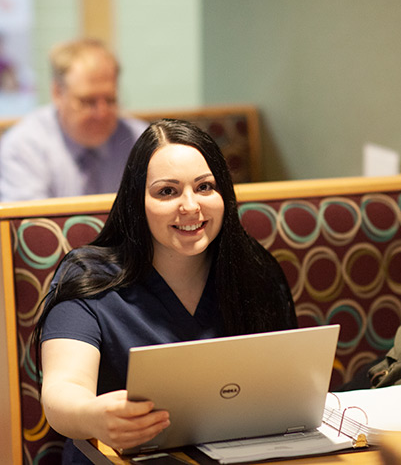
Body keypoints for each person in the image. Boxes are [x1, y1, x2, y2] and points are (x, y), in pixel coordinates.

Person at [33, 118, 297, 464]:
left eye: (205, 187)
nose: (190, 206)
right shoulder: (89, 277)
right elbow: (61, 393)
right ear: (136, 202)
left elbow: (290, 385)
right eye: (167, 192)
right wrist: (94, 415)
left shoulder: (254, 270)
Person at [0, 38, 147, 201]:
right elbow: (29, 225)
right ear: (57, 92)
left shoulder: (139, 140)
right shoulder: (24, 146)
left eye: (110, 100)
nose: (102, 113)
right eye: (88, 102)